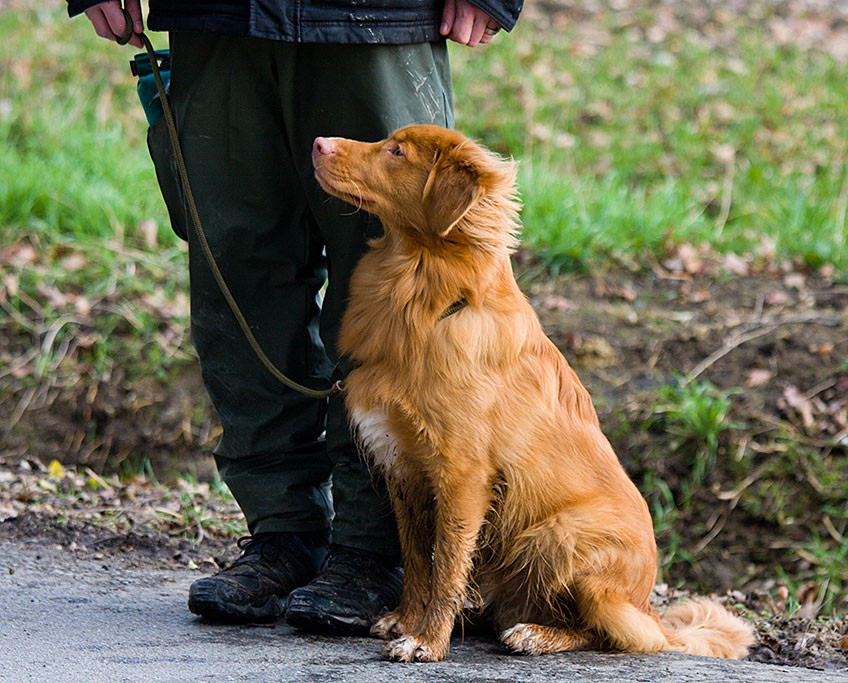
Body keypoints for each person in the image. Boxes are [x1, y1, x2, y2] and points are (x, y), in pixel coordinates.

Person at [67, 0, 524, 633]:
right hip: (217, 18)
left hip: (379, 16)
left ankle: (375, 548)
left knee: (403, 274)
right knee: (238, 268)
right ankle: (283, 532)